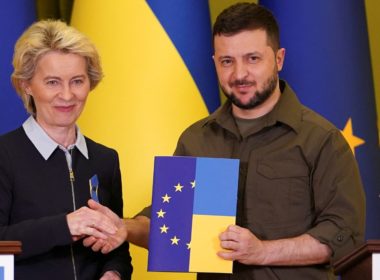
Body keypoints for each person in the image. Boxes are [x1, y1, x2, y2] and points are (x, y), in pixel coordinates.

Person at [85, 2, 366, 279]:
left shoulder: (321, 140)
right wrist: (124, 227)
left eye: (252, 58)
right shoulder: (197, 139)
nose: (239, 74)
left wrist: (261, 251)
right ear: (214, 63)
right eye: (227, 61)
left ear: (279, 59)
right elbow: (170, 225)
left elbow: (343, 234)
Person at [0, 19, 132, 280]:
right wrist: (64, 226)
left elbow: (117, 247)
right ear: (27, 84)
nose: (67, 95)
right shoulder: (4, 155)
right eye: (52, 82)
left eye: (77, 81)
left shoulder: (105, 159)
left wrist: (113, 272)